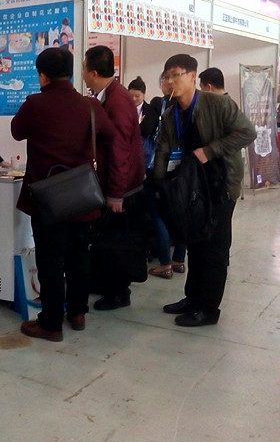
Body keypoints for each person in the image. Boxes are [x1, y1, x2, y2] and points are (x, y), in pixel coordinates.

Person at [11, 47, 118, 341]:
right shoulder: (90, 106)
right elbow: (110, 136)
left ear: (42, 76)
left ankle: (51, 324)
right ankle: (78, 313)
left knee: (50, 261)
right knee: (79, 257)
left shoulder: (35, 104)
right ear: (71, 73)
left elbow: (16, 131)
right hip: (82, 197)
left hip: (47, 199)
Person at [153, 54, 256, 327]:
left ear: (192, 76)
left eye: (176, 75)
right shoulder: (170, 113)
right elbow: (163, 150)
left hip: (221, 186)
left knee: (214, 249)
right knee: (195, 244)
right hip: (192, 189)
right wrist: (160, 184)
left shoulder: (217, 104)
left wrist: (209, 151)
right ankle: (193, 298)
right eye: (166, 76)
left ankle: (209, 309)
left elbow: (247, 132)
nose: (170, 81)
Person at [82, 46, 145, 311]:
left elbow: (119, 150)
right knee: (107, 241)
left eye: (84, 68)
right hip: (116, 182)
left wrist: (116, 193)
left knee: (117, 244)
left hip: (123, 187)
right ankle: (107, 285)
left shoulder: (117, 101)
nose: (83, 73)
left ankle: (119, 293)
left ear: (93, 72)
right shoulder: (109, 95)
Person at [144, 73, 186, 278]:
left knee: (158, 214)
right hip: (183, 168)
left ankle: (164, 263)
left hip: (158, 167)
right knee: (182, 212)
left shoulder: (158, 104)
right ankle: (179, 260)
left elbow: (145, 129)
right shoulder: (188, 106)